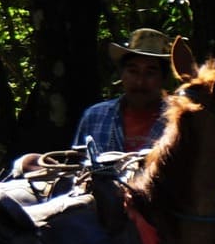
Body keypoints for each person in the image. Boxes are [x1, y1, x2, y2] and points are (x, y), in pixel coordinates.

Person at [73, 27, 178, 162]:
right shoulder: (95, 116)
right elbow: (75, 172)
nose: (140, 82)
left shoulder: (179, 121)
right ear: (122, 74)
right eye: (133, 71)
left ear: (164, 78)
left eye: (150, 73)